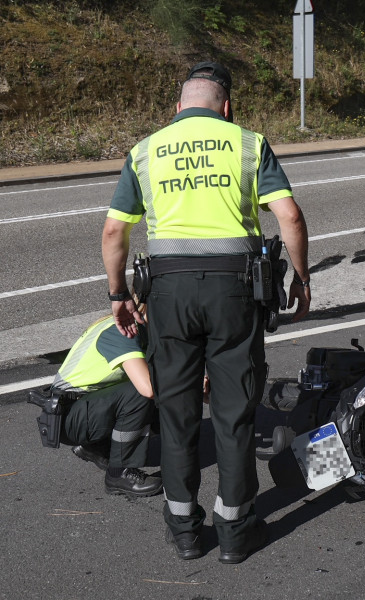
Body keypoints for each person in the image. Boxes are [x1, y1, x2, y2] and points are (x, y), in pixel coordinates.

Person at [101, 61, 311, 564]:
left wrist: (118, 294)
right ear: (227, 107)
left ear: (177, 109)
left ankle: (185, 531)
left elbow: (114, 232)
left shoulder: (145, 151)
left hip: (168, 296)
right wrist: (302, 279)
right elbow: (290, 216)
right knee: (234, 414)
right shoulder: (247, 143)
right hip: (234, 292)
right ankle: (236, 532)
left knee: (176, 414)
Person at [48, 307, 161, 498]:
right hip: (68, 415)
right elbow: (148, 388)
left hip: (81, 407)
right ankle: (119, 474)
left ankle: (96, 445)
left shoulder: (141, 329)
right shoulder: (123, 330)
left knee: (160, 391)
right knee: (142, 392)